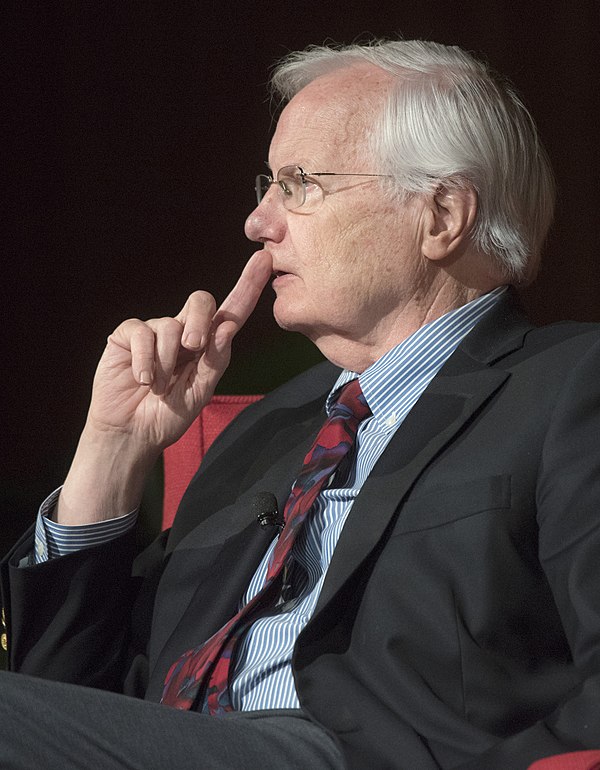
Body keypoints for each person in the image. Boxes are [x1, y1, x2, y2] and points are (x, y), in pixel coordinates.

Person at [1, 38, 599, 770]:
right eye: (268, 183)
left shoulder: (571, 386)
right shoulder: (261, 435)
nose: (258, 223)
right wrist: (112, 452)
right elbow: (65, 707)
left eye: (299, 183)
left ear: (441, 214)